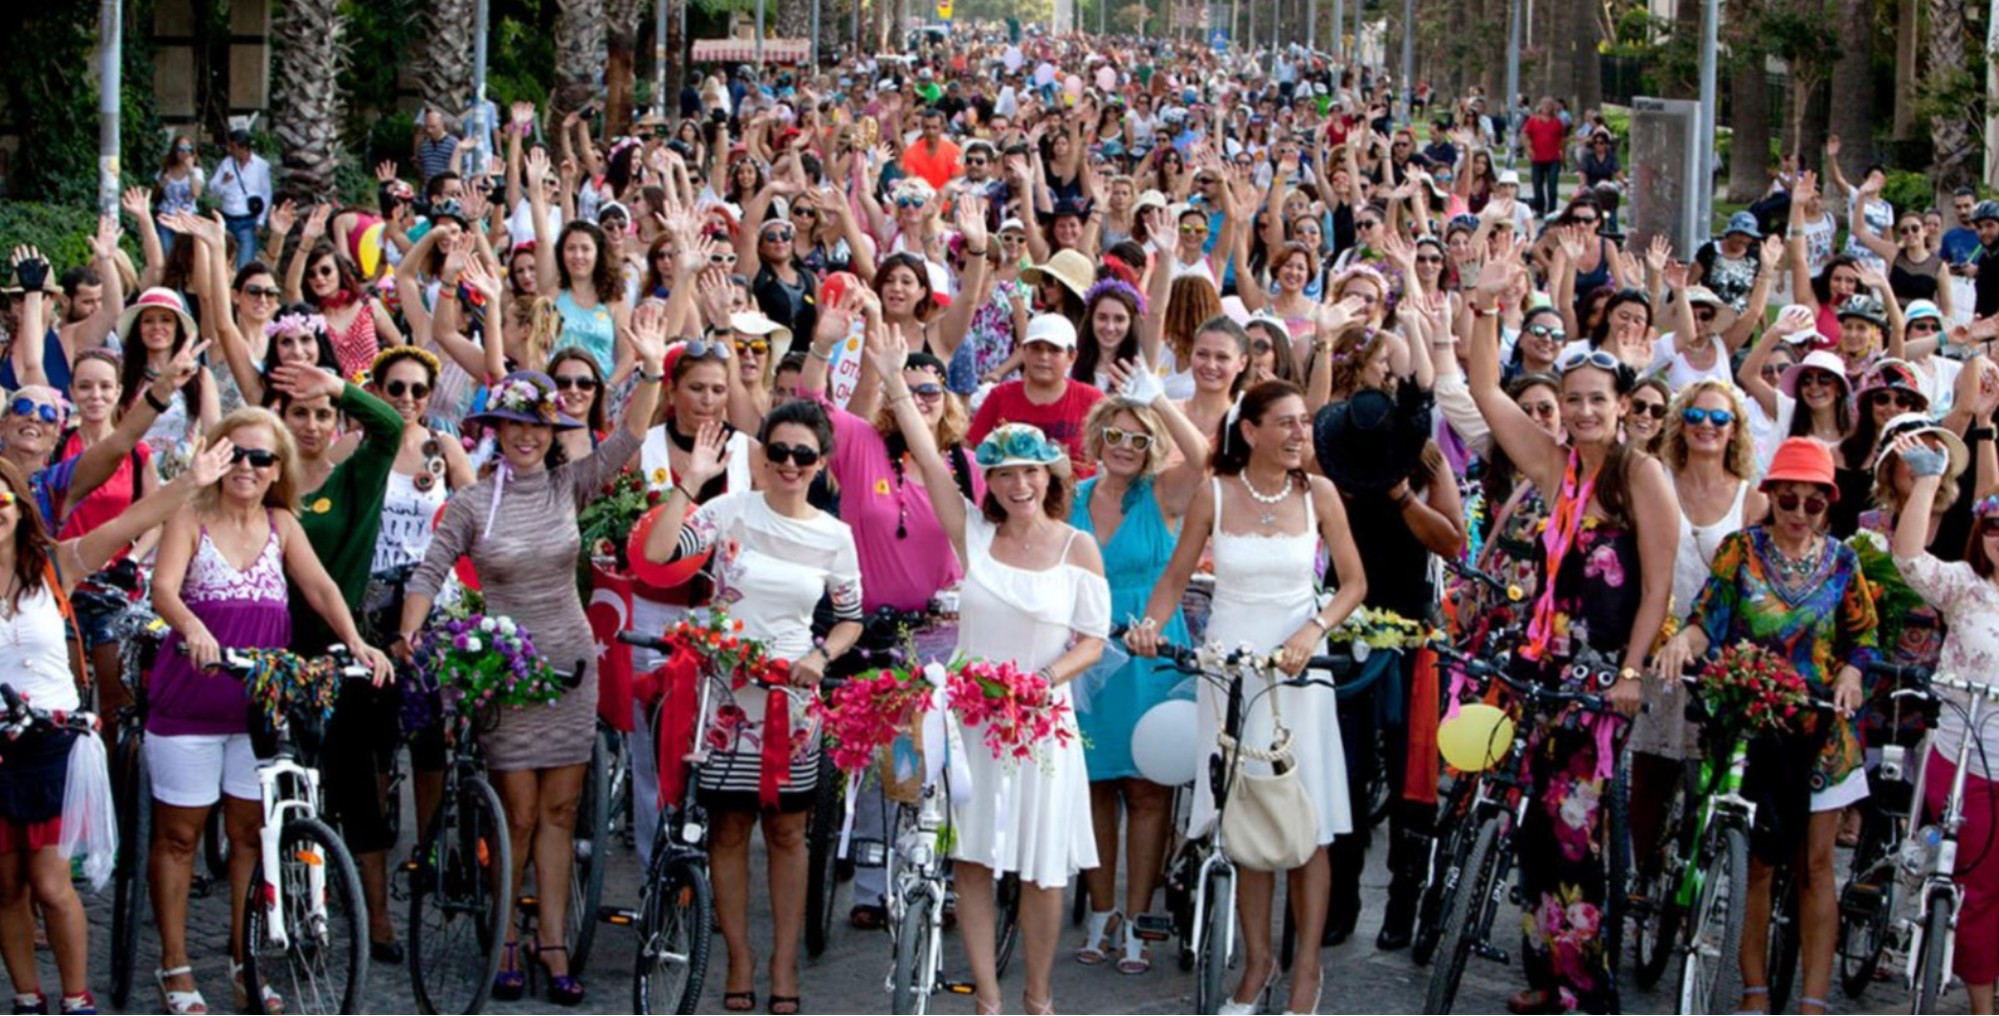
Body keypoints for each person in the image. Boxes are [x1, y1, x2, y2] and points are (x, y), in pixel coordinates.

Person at [394, 309, 668, 1005]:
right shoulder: (470, 502)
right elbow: (428, 572)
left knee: (561, 809)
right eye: (512, 424)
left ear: (552, 435)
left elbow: (632, 433)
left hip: (571, 660)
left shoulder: (565, 485)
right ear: (494, 431)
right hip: (505, 671)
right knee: (515, 813)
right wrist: (408, 636)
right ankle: (508, 938)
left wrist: (654, 368)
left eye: (537, 425)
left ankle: (552, 942)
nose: (523, 435)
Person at [1464, 252, 1678, 1014]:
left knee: (1575, 830)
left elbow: (1656, 587)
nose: (1583, 412)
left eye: (1597, 400)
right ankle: (1545, 971)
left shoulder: (1638, 477)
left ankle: (1584, 989)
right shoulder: (1556, 470)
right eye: (1572, 400)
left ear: (1621, 405)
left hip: (1599, 681)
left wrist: (1629, 672)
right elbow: (1485, 389)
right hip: (1539, 670)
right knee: (1533, 825)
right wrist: (1485, 305)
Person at [877, 322, 1109, 1016]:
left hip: (1039, 722)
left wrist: (1043, 683)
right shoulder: (972, 536)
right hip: (970, 721)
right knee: (971, 860)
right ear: (992, 480)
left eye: (1029, 471)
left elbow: (1093, 641)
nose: (1017, 484)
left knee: (1041, 870)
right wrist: (893, 381)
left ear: (1049, 476)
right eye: (1004, 473)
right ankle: (986, 996)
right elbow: (926, 449)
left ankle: (1037, 997)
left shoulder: (1076, 547)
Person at [1128, 379, 1369, 1015]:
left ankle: (1306, 970)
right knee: (1247, 823)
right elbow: (1176, 577)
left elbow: (1353, 583)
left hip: (1298, 670)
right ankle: (1257, 961)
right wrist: (1152, 625)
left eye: (1306, 423)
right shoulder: (1215, 491)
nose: (1299, 434)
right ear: (1251, 430)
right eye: (1286, 423)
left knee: (1306, 824)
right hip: (1230, 670)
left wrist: (1313, 628)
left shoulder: (1320, 494)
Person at [146, 408, 392, 1016]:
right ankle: (174, 966)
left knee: (249, 839)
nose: (250, 467)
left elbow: (321, 587)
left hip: (259, 707)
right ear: (218, 456)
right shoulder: (190, 516)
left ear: (279, 468)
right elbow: (164, 589)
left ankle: (242, 959)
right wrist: (192, 627)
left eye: (264, 458)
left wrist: (356, 640)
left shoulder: (283, 524)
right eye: (239, 454)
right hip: (189, 702)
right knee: (178, 837)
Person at [640, 400, 864, 1016]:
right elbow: (657, 556)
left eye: (803, 455)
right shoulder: (728, 510)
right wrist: (688, 483)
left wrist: (821, 657)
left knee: (790, 833)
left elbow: (849, 619)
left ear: (821, 463)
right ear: (761, 454)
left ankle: (783, 960)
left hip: (793, 698)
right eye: (778, 451)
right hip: (722, 695)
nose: (789, 464)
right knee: (729, 828)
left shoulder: (834, 535)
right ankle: (737, 955)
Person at [0, 439, 232, 1016]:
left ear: (17, 506)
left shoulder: (56, 565)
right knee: (5, 888)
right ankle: (27, 998)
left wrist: (191, 481)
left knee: (52, 885)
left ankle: (77, 998)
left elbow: (131, 521)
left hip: (55, 740)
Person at [1655, 437, 1881, 1016]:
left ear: (1829, 506)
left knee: (1817, 866)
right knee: (1756, 862)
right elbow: (1709, 618)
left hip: (1822, 729)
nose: (1800, 514)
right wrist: (1684, 640)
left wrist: (1852, 675)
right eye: (1789, 500)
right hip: (1752, 723)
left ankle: (1811, 1001)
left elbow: (1864, 639)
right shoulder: (1741, 551)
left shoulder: (1844, 562)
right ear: (1771, 498)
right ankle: (1753, 991)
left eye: (1814, 504)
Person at [1069, 380, 1209, 974]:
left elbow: (1203, 457)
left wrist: (1160, 402)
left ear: (1151, 444)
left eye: (1137, 437)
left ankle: (1139, 920)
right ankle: (1101, 916)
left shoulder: (1165, 495)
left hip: (1152, 648)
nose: (1124, 446)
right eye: (1115, 435)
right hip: (1089, 653)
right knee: (1096, 784)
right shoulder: (1069, 496)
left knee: (1149, 789)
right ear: (1097, 438)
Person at [1890, 437, 1999, 1015]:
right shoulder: (1964, 586)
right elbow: (1907, 558)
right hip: (1963, 757)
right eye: (1995, 525)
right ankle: (1983, 1007)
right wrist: (1929, 480)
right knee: (1977, 889)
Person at [966, 313, 1106, 476]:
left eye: (1054, 350)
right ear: (1024, 352)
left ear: (1071, 357)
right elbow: (970, 448)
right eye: (1036, 348)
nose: (1043, 357)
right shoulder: (1000, 396)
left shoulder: (1092, 400)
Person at [211, 129, 272, 269]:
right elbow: (213, 189)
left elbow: (266, 194)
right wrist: (223, 183)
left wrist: (261, 221)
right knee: (223, 262)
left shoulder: (260, 166)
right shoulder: (227, 163)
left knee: (245, 263)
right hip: (227, 217)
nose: (230, 150)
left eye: (233, 147)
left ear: (243, 148)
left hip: (248, 219)